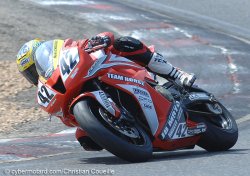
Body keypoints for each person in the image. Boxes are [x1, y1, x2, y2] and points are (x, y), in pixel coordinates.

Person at [16, 32, 196, 151]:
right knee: (86, 140)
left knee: (124, 43)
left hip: (118, 71)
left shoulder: (71, 50)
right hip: (98, 107)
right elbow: (67, 120)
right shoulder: (48, 90)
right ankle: (127, 131)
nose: (35, 74)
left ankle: (176, 74)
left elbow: (103, 37)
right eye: (30, 73)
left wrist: (100, 40)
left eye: (35, 67)